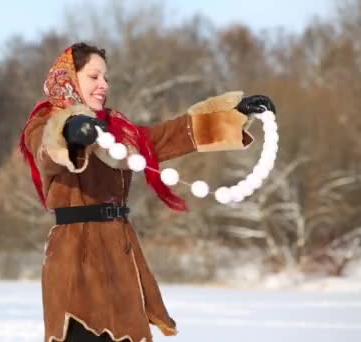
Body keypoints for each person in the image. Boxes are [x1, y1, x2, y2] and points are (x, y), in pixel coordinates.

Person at [19, 42, 275, 342]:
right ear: (69, 78)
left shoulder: (117, 130)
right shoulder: (45, 121)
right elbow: (46, 150)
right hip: (76, 256)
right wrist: (71, 131)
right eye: (94, 76)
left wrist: (232, 114)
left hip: (120, 251)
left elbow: (168, 136)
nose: (104, 85)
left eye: (106, 78)